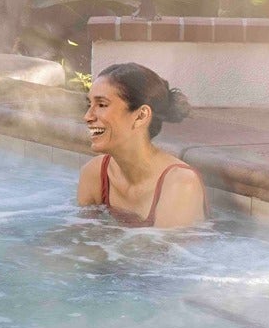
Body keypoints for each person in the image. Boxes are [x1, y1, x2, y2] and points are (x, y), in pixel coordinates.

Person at [76, 62, 205, 229]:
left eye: (101, 105)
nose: (88, 116)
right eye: (89, 105)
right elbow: (79, 242)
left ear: (141, 116)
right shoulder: (94, 173)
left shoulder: (180, 184)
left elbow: (169, 254)